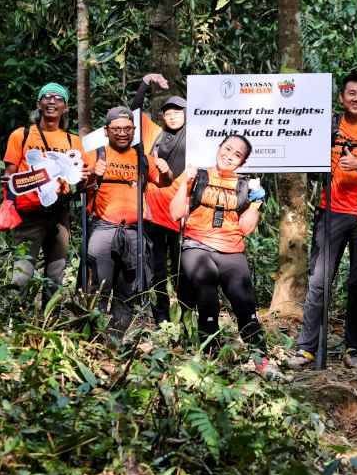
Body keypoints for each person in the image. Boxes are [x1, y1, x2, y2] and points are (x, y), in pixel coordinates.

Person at [286, 74, 357, 370]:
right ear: (341, 97)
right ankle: (306, 349)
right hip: (331, 209)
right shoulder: (327, 126)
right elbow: (304, 158)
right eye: (351, 93)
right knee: (320, 281)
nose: (356, 98)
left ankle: (353, 349)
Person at [169, 135, 269, 361]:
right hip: (197, 244)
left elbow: (245, 228)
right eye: (228, 149)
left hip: (231, 248)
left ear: (243, 162)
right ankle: (210, 355)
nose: (230, 156)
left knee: (244, 300)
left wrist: (256, 203)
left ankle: (261, 359)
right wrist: (186, 185)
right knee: (206, 288)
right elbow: (175, 214)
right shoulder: (199, 175)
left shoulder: (245, 185)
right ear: (219, 148)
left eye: (237, 155)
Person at [85, 107, 170, 336]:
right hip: (104, 228)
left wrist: (165, 170)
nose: (122, 133)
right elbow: (77, 186)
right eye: (116, 129)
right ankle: (93, 338)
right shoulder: (96, 154)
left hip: (134, 231)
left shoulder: (142, 158)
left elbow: (163, 181)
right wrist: (93, 172)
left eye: (127, 128)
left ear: (134, 130)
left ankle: (116, 339)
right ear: (106, 130)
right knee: (98, 286)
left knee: (128, 290)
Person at [2, 82, 90, 300]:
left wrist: (82, 180)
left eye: (58, 98)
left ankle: (51, 322)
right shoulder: (21, 135)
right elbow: (9, 176)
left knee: (56, 273)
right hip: (28, 215)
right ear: (38, 104)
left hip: (60, 215)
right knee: (22, 272)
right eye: (47, 97)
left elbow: (82, 181)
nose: (52, 101)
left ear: (66, 107)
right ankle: (15, 318)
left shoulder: (74, 142)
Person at [130, 72, 187, 323]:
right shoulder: (153, 134)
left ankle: (186, 318)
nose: (173, 115)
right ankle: (162, 319)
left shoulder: (195, 138)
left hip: (181, 211)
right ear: (162, 116)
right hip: (153, 212)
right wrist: (145, 83)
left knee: (181, 269)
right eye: (168, 112)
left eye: (178, 111)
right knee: (157, 270)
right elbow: (133, 112)